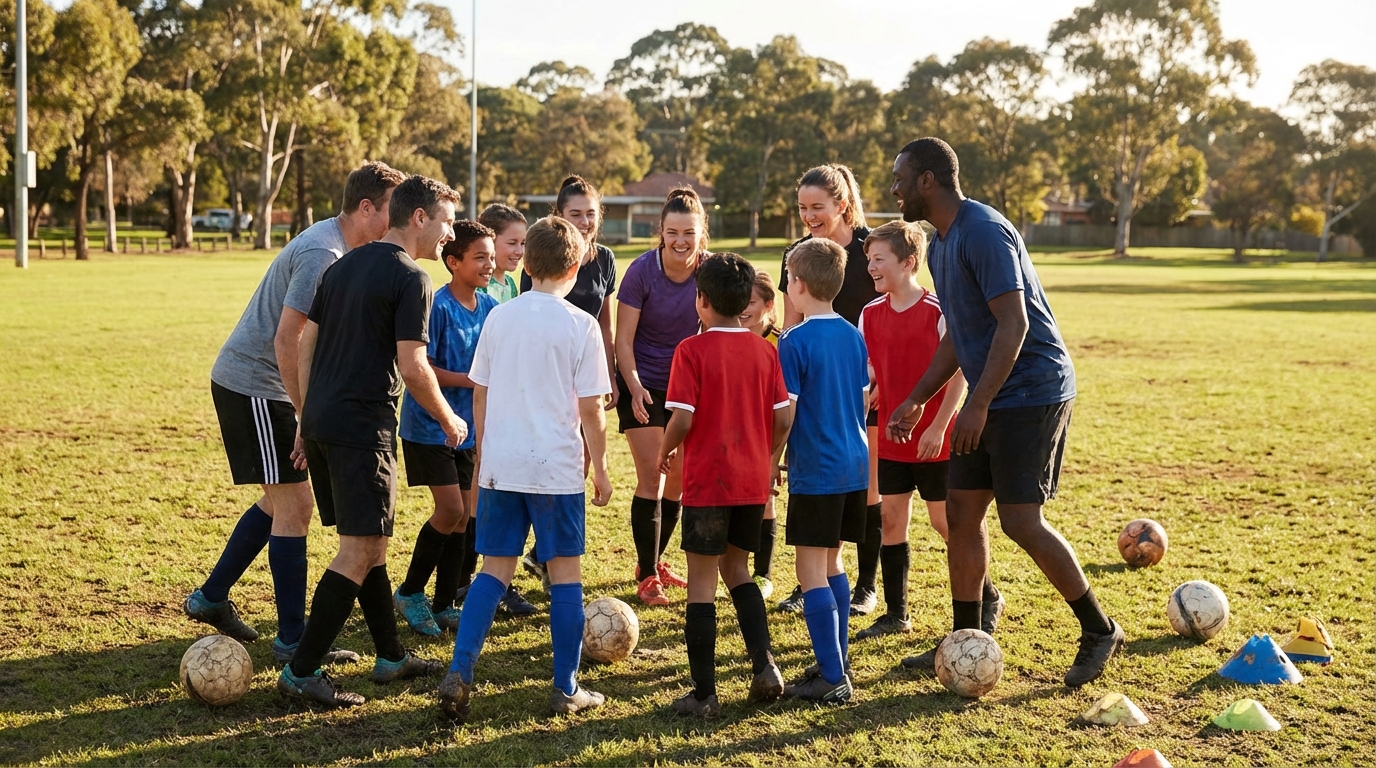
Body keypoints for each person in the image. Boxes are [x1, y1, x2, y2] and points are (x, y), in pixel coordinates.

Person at [886, 138, 1122, 686]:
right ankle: (963, 641)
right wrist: (919, 396)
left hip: (1033, 391)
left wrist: (978, 404)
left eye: (900, 178)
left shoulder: (983, 231)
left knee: (1019, 520)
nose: (893, 188)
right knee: (964, 516)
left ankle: (1099, 628)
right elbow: (960, 336)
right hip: (993, 393)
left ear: (928, 180)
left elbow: (1013, 325)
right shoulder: (941, 243)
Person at [188, 161, 404, 667]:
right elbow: (289, 339)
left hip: (277, 388)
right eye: (391, 212)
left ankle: (211, 597)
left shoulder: (346, 249)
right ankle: (291, 638)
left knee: (280, 500)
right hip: (257, 385)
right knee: (295, 506)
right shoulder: (322, 253)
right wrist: (305, 417)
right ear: (366, 207)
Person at [276, 174, 465, 707]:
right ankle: (301, 670)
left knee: (369, 544)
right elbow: (413, 364)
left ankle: (390, 655)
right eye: (447, 222)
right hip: (362, 429)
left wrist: (305, 415)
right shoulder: (411, 278)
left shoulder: (342, 266)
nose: (449, 235)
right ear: (420, 218)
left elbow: (306, 341)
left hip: (324, 425)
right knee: (359, 549)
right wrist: (450, 419)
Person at [439, 216, 615, 723]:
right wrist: (600, 467)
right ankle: (566, 688)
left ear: (527, 263)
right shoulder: (580, 325)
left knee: (493, 571)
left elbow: (481, 394)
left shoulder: (500, 317)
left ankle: (460, 670)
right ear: (579, 265)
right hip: (556, 471)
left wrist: (483, 454)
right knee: (565, 577)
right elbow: (591, 410)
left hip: (501, 466)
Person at [656, 253, 791, 718]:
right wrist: (766, 455)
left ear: (702, 301)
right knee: (739, 571)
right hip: (751, 484)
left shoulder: (691, 351)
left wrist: (664, 450)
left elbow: (683, 417)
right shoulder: (765, 351)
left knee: (701, 584)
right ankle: (765, 666)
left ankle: (704, 695)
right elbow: (784, 415)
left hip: (709, 483)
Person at [393, 221, 536, 640]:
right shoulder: (435, 307)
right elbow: (424, 368)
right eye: (480, 257)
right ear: (453, 262)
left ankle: (444, 604)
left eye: (492, 256)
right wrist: (472, 380)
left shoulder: (491, 308)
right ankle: (410, 592)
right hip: (429, 427)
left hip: (470, 431)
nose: (491, 264)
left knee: (465, 518)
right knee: (451, 511)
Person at [852, 220, 976, 642]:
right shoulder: (869, 314)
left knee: (947, 524)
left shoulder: (938, 312)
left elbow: (959, 373)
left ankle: (986, 594)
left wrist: (939, 426)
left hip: (934, 441)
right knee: (890, 519)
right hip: (892, 439)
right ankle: (896, 613)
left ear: (909, 263)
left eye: (879, 259)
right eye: (869, 259)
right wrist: (875, 388)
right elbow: (877, 365)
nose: (870, 267)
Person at [774, 164, 882, 617]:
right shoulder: (797, 254)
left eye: (817, 207)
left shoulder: (871, 248)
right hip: (816, 382)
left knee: (867, 490)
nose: (809, 216)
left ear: (842, 204)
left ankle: (866, 585)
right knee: (829, 488)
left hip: (862, 380)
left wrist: (875, 372)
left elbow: (889, 303)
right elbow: (790, 323)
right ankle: (813, 582)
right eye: (802, 208)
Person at [776, 239, 868, 704]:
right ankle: (837, 660)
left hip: (818, 469)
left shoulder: (794, 340)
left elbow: (786, 414)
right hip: (855, 465)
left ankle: (833, 678)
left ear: (799, 285)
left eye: (788, 278)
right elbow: (866, 394)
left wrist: (773, 458)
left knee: (810, 569)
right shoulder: (853, 334)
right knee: (832, 562)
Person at [518, 176, 619, 586]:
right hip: (547, 375)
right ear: (559, 214)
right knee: (546, 461)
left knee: (580, 459)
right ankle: (541, 552)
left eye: (590, 213)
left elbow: (605, 321)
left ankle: (546, 555)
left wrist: (608, 371)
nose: (583, 221)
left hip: (586, 368)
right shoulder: (542, 254)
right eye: (574, 213)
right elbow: (532, 313)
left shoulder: (606, 259)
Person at [615, 187, 709, 607]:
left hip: (687, 389)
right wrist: (633, 387)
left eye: (688, 232)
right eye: (672, 232)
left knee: (679, 485)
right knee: (653, 476)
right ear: (662, 233)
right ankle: (648, 575)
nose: (680, 241)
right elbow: (623, 341)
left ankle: (653, 561)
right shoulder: (640, 272)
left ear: (701, 233)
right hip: (645, 384)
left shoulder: (709, 271)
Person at [738, 271, 782, 598]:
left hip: (768, 434)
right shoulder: (726, 336)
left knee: (765, 499)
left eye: (751, 302)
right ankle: (734, 566)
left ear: (768, 305)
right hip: (735, 433)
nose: (743, 308)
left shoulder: (781, 343)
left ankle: (762, 573)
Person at [477, 204, 526, 304]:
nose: (520, 251)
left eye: (522, 243)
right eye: (512, 243)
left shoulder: (510, 283)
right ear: (490, 241)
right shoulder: (479, 285)